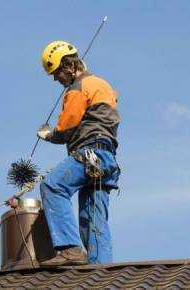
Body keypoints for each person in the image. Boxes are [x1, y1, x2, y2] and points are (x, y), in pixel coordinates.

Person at [37, 40, 120, 266]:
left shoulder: (78, 88)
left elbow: (67, 128)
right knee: (93, 219)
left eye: (56, 73)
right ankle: (101, 273)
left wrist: (48, 134)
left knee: (52, 186)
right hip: (107, 159)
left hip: (90, 152)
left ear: (67, 66)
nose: (56, 79)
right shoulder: (102, 85)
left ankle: (69, 249)